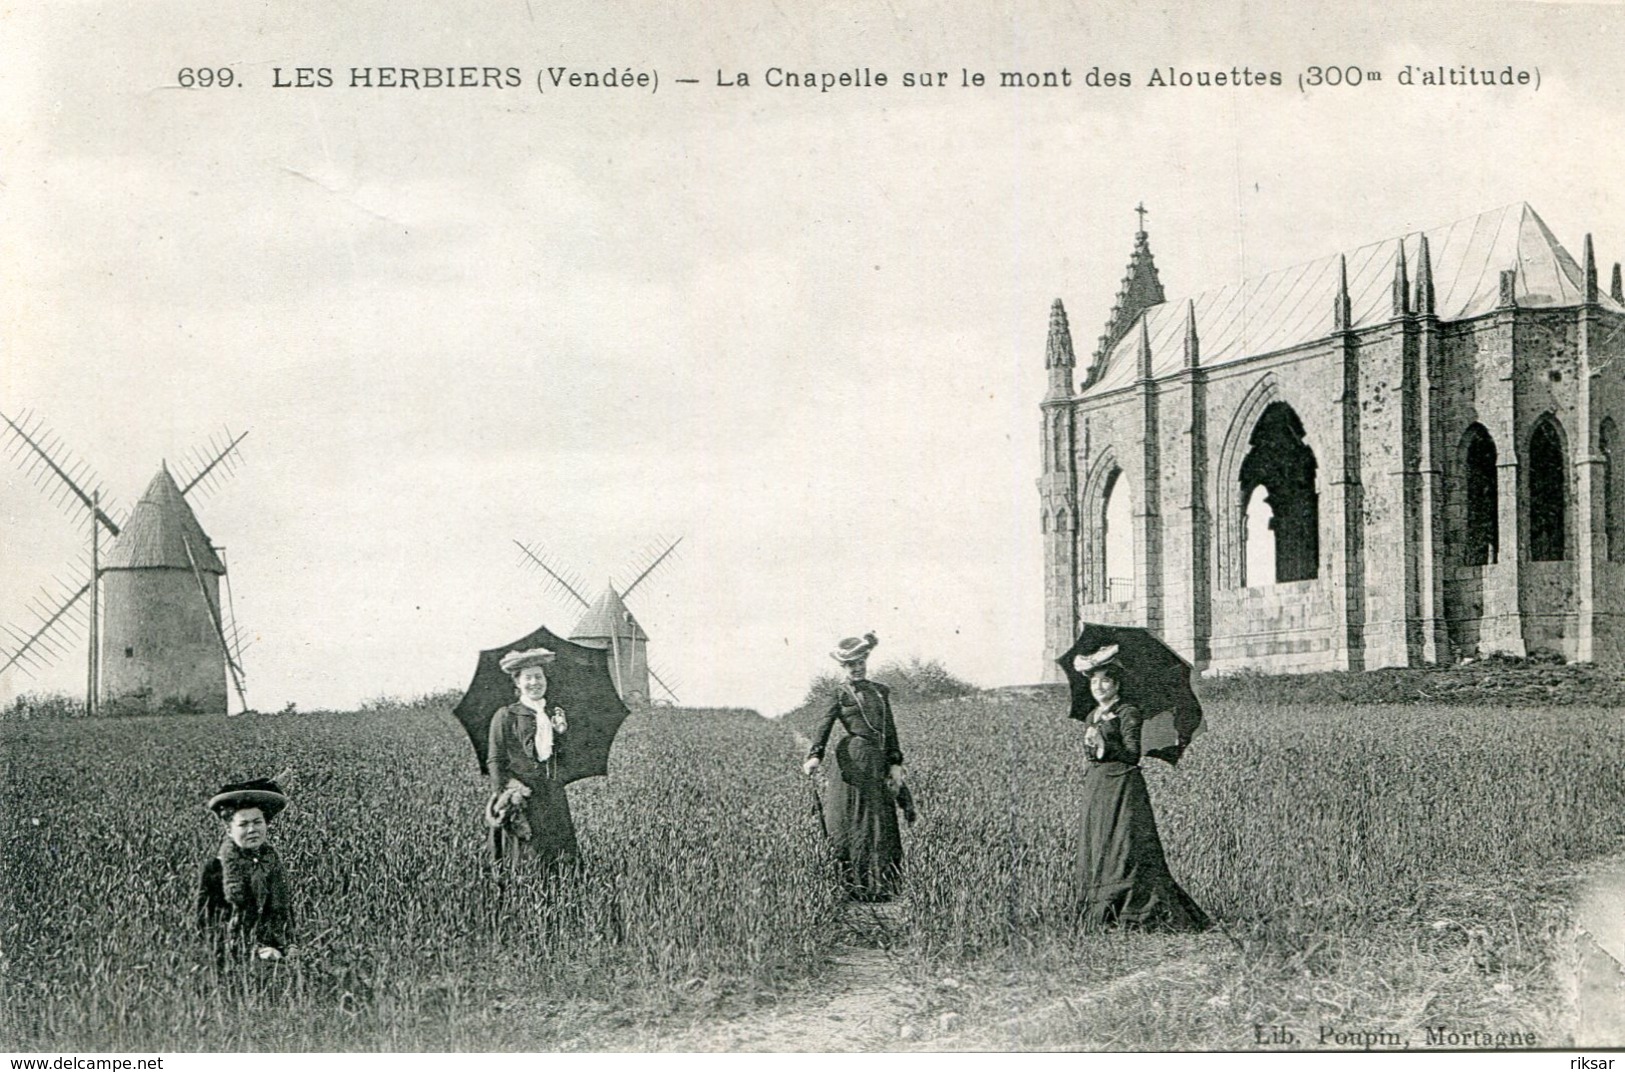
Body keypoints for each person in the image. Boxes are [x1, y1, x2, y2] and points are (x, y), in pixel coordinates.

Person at [1072, 645, 1209, 931]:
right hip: (1098, 784)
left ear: (1117, 684)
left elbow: (1133, 753)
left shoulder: (1128, 712)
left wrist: (1105, 745)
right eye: (1094, 682)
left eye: (1105, 681)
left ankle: (1134, 909)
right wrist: (1092, 748)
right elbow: (1094, 755)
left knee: (1125, 842)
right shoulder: (1093, 715)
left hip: (1123, 784)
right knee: (1100, 840)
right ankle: (1100, 908)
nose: (1098, 687)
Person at [803, 632, 907, 901]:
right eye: (851, 664)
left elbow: (890, 730)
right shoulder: (839, 694)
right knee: (856, 818)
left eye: (861, 662)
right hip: (855, 761)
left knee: (880, 818)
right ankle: (852, 885)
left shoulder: (880, 691)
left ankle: (883, 884)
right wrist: (815, 756)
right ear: (843, 667)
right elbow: (824, 726)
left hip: (878, 760)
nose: (857, 668)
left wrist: (895, 763)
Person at [486, 647, 579, 866]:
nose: (534, 682)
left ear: (546, 680)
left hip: (552, 796)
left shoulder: (554, 713)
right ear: (518, 682)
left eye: (539, 677)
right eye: (528, 678)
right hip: (521, 796)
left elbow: (563, 758)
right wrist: (506, 795)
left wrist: (562, 733)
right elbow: (495, 759)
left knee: (558, 858)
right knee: (525, 858)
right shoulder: (506, 715)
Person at [197, 778, 295, 962]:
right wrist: (253, 951)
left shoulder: (272, 864)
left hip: (276, 953)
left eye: (257, 822)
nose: (252, 830)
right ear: (229, 830)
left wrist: (290, 946)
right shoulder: (217, 868)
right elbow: (207, 925)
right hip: (234, 958)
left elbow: (285, 914)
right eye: (243, 824)